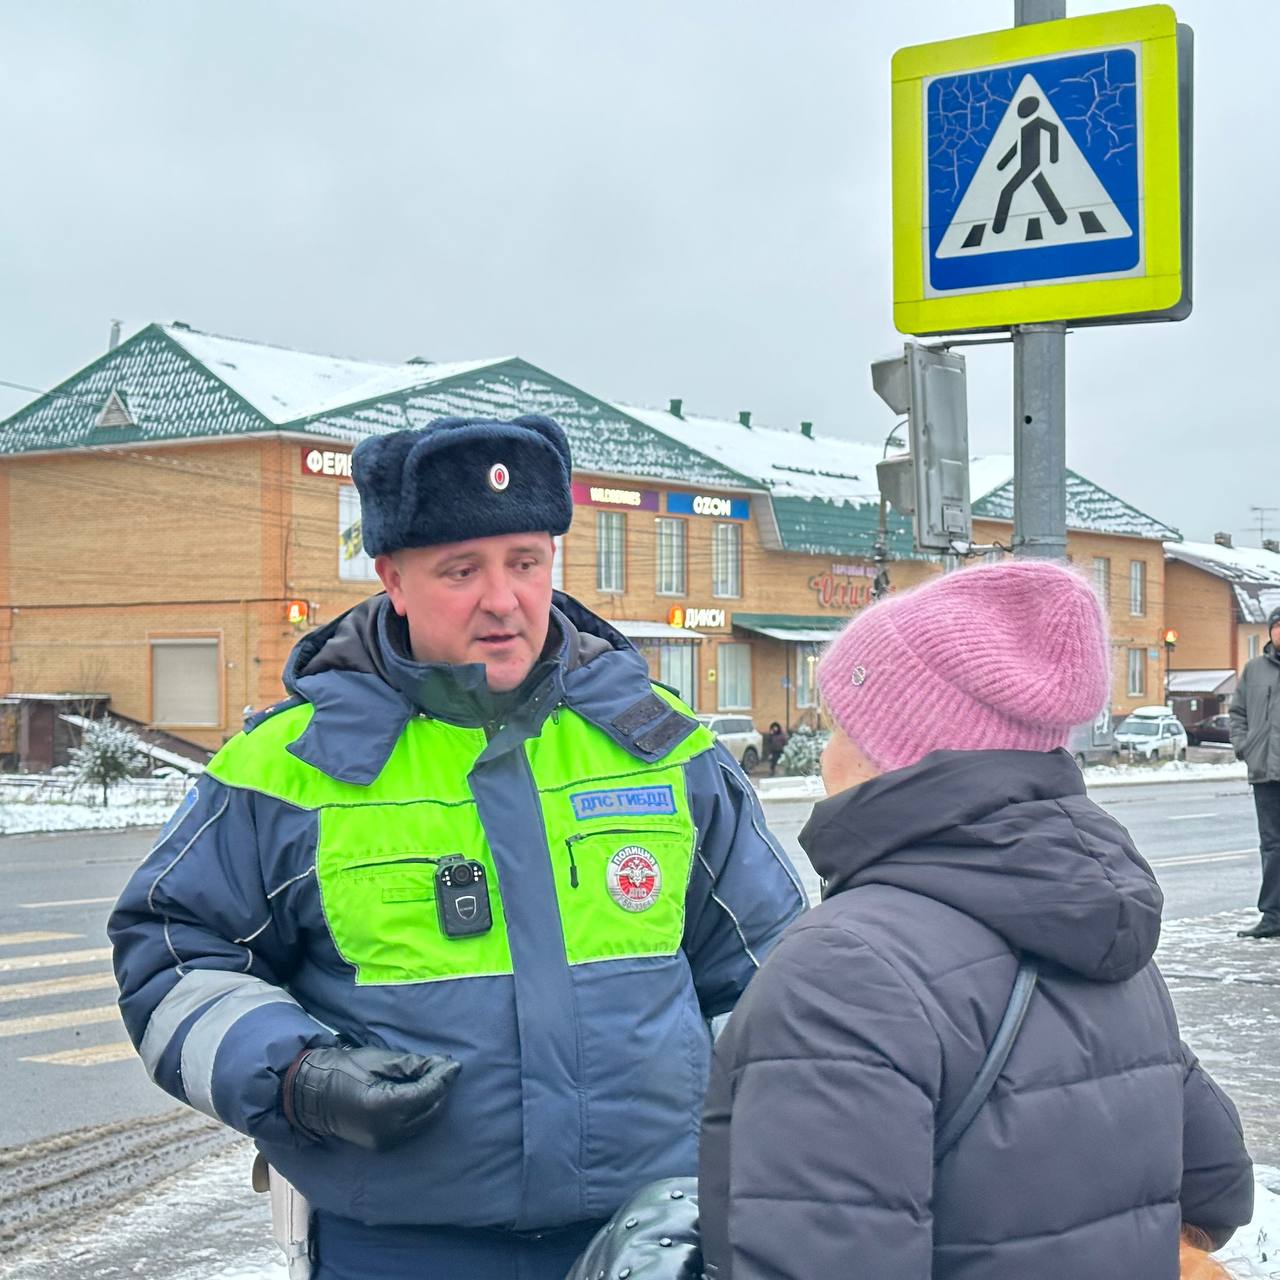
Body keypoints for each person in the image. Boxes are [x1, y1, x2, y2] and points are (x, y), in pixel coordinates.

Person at [109, 414, 806, 1280]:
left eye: (526, 562)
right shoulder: (286, 771)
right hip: (395, 1251)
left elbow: (772, 978)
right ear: (393, 579)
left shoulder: (664, 750)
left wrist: (765, 1165)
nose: (503, 599)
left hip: (651, 1239)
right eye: (461, 570)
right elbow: (174, 958)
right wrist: (296, 1077)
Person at [697, 560, 1253, 1278]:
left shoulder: (842, 971)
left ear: (897, 753)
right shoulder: (1105, 930)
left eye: (841, 726)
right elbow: (1218, 1185)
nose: (827, 754)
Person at [1230, 604, 1280, 939]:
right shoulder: (1254, 670)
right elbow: (1237, 712)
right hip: (1265, 773)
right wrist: (1244, 746)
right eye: (1277, 626)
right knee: (1272, 847)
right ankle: (1273, 916)